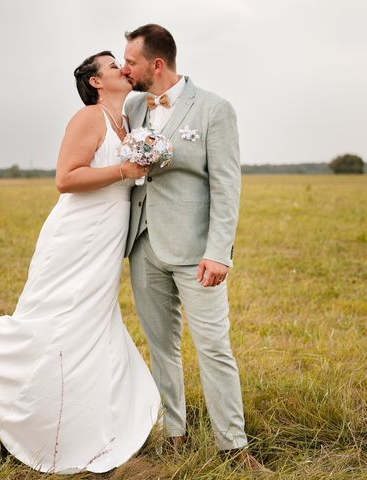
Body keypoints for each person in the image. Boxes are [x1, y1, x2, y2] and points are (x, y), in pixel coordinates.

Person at [0, 51, 161, 475]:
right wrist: (124, 170)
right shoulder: (89, 117)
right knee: (44, 323)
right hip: (75, 236)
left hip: (105, 239)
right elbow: (65, 178)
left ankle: (91, 427)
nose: (122, 68)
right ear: (96, 82)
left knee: (92, 326)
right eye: (113, 64)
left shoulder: (129, 122)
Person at [121, 24, 269, 471]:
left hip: (195, 251)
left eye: (131, 62)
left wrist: (219, 251)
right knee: (160, 344)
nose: (125, 69)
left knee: (213, 347)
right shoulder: (132, 105)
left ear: (157, 64)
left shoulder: (213, 109)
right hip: (144, 243)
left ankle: (234, 447)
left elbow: (227, 186)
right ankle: (174, 434)